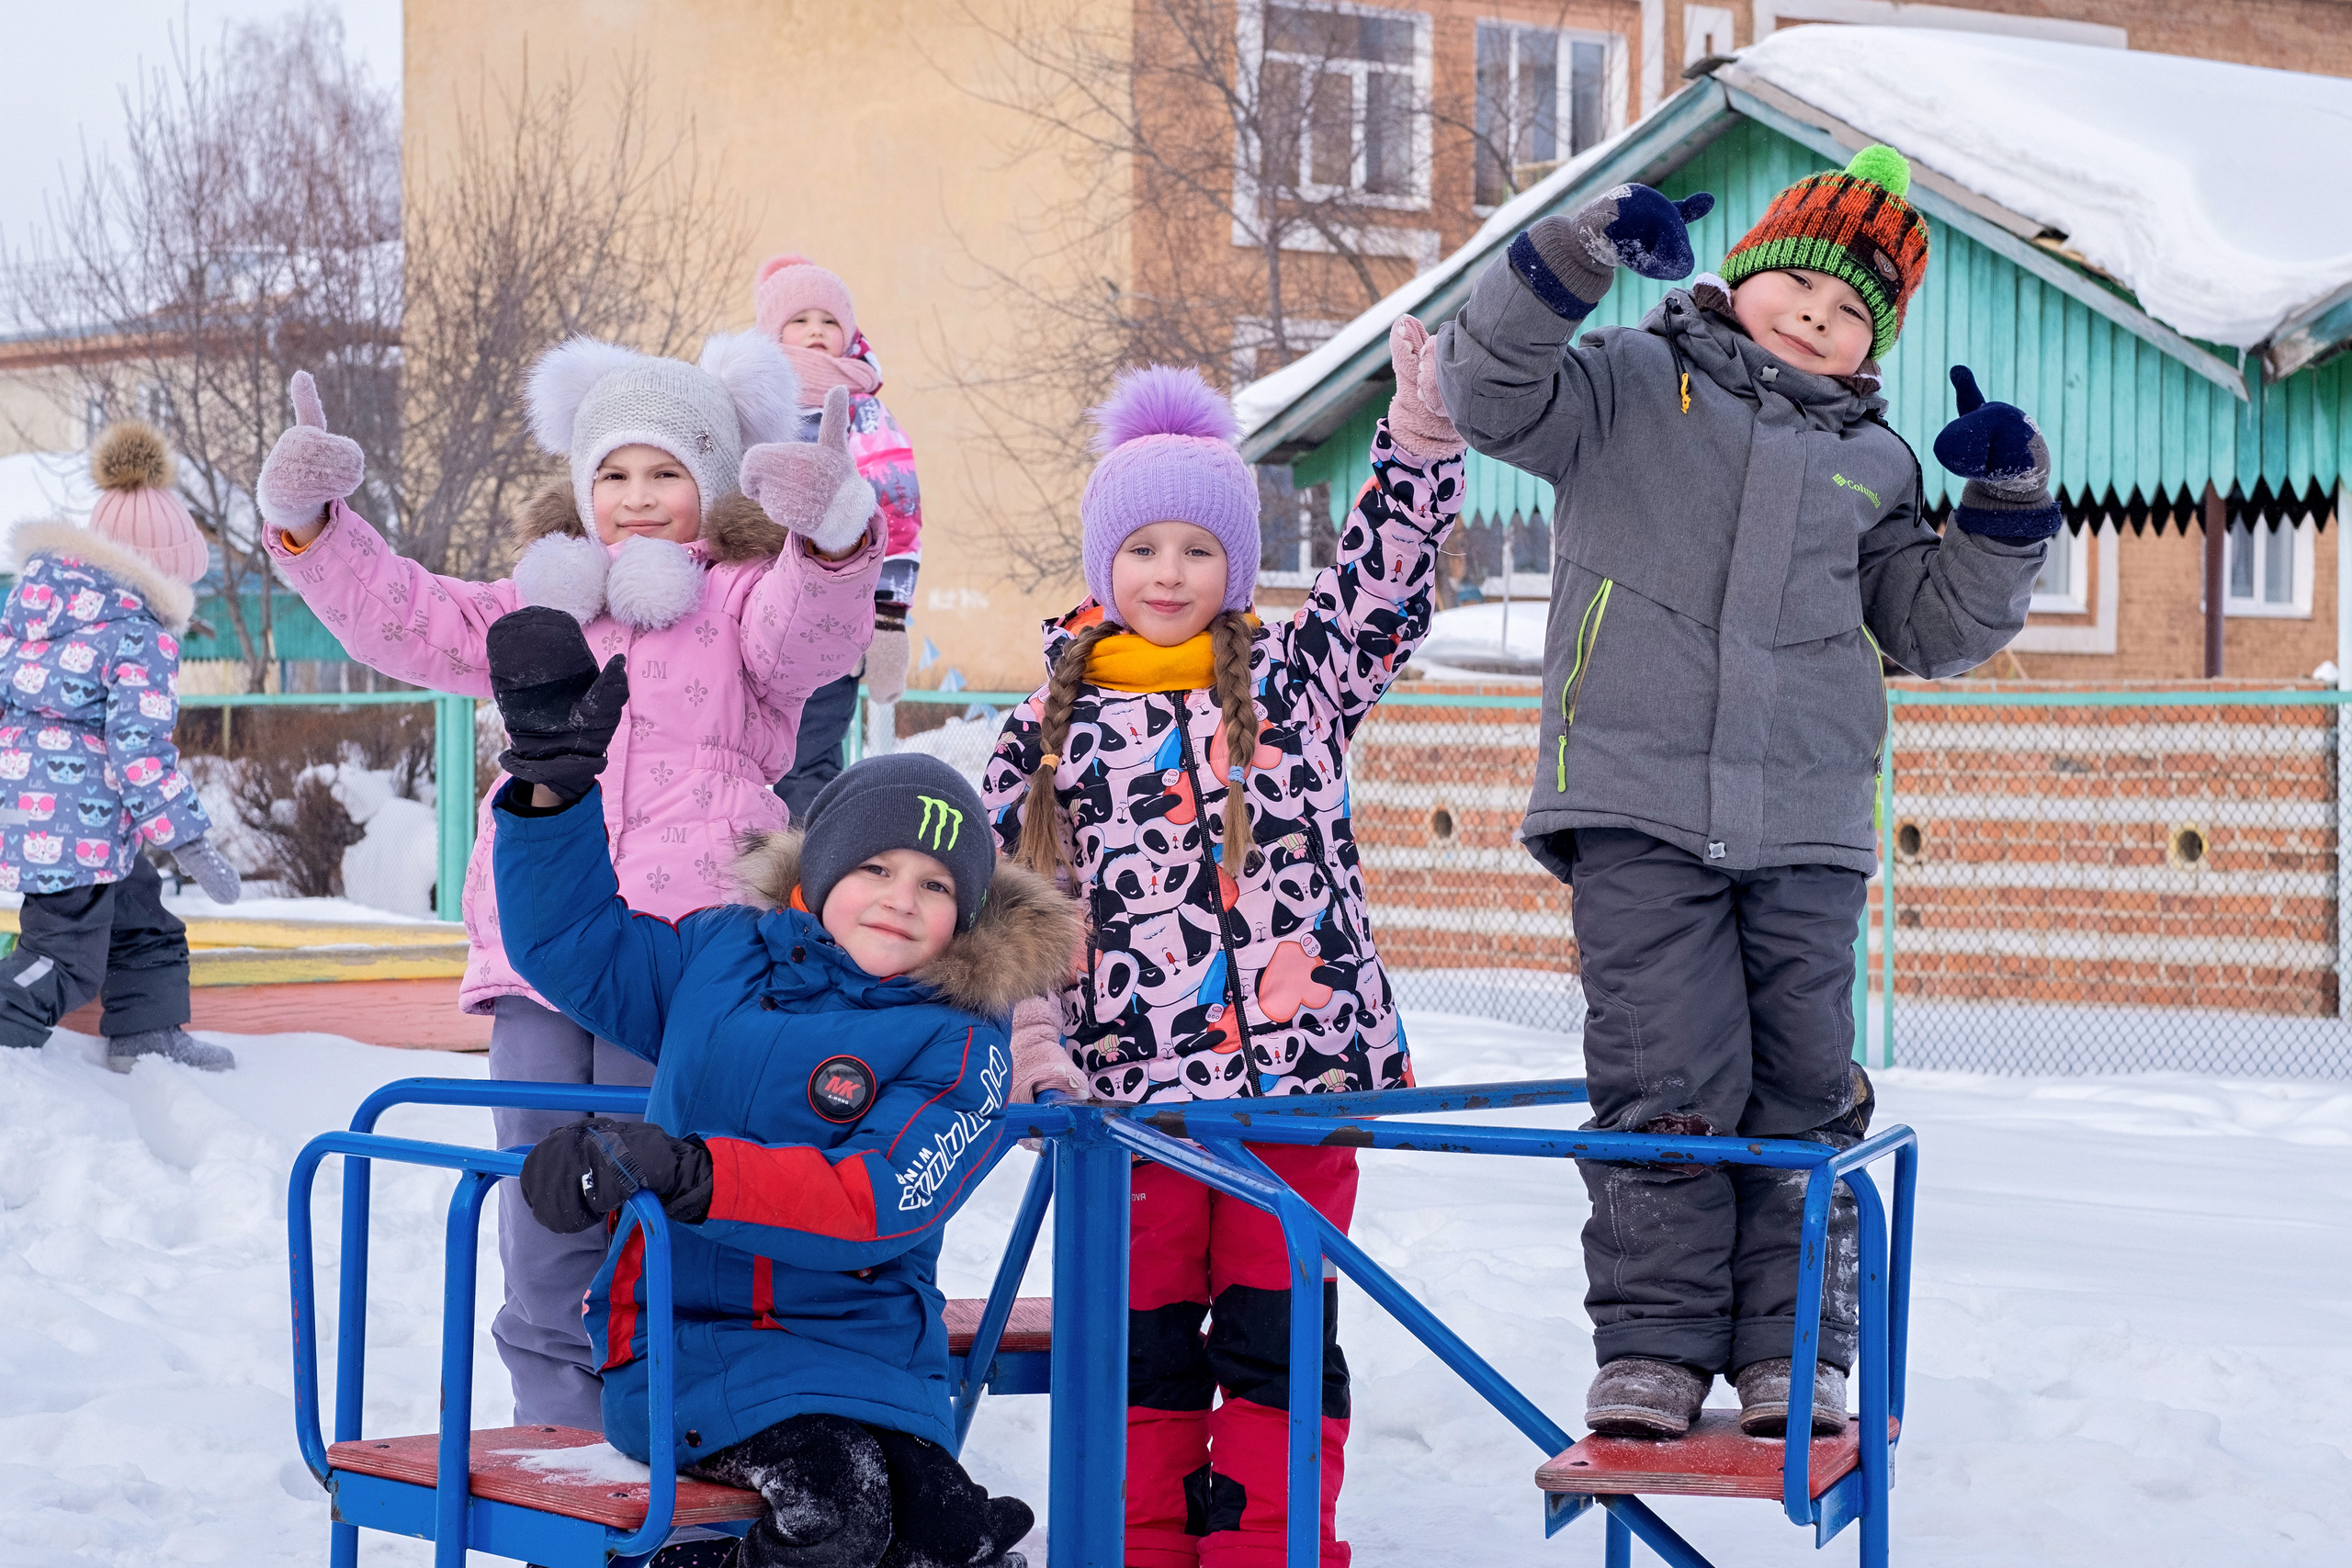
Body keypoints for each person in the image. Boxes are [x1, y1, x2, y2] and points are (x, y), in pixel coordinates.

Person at [1433, 147, 2061, 1439]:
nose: (1817, 321)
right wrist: (1580, 252)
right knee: (1666, 1075)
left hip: (1807, 824)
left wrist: (2004, 512)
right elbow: (1487, 391)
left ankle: (1791, 1350)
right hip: (1636, 802)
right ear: (1748, 272)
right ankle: (1655, 1343)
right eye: (1804, 289)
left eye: (1850, 316)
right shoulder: (1624, 384)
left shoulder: (1876, 465)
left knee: (1803, 1089)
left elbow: (1932, 626)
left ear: (1869, 344)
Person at [253, 336, 884, 1433]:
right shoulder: (530, 613)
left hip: (682, 957)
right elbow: (405, 613)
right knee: (544, 1196)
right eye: (613, 474)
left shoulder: (741, 606)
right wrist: (314, 526)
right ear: (583, 488)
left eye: (666, 474)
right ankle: (558, 1430)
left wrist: (831, 538)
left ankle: (671, 1421)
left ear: (713, 487)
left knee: (657, 1183)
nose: (636, 500)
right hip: (539, 956)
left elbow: (815, 632)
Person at [978, 340, 1464, 1568]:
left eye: (1198, 549)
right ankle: (1132, 1544)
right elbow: (1007, 910)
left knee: (1278, 1333)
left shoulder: (1296, 690)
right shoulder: (1047, 729)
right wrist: (1035, 1054)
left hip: (1296, 1086)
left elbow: (1380, 586)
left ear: (1235, 565)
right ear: (1104, 562)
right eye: (1142, 548)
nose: (1169, 572)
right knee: (1141, 1344)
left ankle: (1271, 1544)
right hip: (1126, 1103)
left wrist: (1416, 437)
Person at [486, 604, 1072, 1568]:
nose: (900, 897)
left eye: (934, 886)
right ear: (818, 875)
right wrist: (553, 791)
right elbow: (571, 949)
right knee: (837, 1512)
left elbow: (880, 1200)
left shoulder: (962, 1044)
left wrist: (692, 1172)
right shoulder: (719, 958)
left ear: (963, 915)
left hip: (870, 1358)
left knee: (945, 1534)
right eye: (875, 867)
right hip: (692, 1346)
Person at [0, 422, 242, 1071]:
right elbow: (139, 752)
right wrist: (189, 839)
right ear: (162, 572)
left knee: (141, 917)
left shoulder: (33, 610)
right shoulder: (139, 632)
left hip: (67, 818)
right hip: (79, 826)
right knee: (64, 955)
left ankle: (148, 1033)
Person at [753, 254, 923, 816]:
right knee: (736, 761)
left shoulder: (864, 411)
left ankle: (809, 890)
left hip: (828, 622)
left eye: (829, 322)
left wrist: (889, 619)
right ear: (771, 329)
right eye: (800, 319)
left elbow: (896, 511)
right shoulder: (749, 403)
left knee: (807, 768)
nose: (816, 332)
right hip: (746, 615)